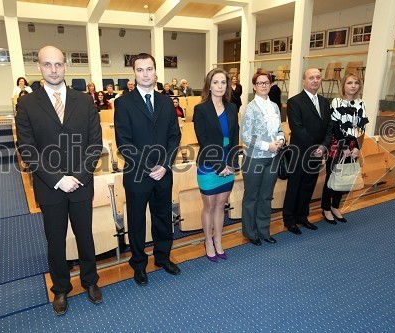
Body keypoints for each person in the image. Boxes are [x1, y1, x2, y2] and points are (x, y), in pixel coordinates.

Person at [15, 45, 103, 316]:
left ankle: (90, 281)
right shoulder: (28, 103)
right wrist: (57, 179)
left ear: (66, 66)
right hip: (50, 186)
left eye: (58, 64)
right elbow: (27, 149)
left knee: (85, 236)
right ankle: (61, 288)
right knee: (55, 240)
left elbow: (94, 143)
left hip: (81, 183)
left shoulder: (84, 100)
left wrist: (77, 176)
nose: (54, 69)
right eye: (47, 64)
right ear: (39, 67)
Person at [114, 53, 182, 286]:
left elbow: (175, 136)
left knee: (163, 217)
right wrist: (149, 166)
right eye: (140, 70)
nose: (145, 74)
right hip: (137, 173)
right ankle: (139, 265)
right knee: (136, 221)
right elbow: (124, 142)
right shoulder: (123, 103)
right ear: (134, 73)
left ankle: (162, 257)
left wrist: (164, 165)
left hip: (163, 173)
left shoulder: (165, 101)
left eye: (149, 69)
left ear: (155, 72)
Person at [193, 68, 239, 262]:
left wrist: (232, 163)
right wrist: (219, 165)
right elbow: (203, 140)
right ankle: (208, 241)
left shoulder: (232, 107)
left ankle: (218, 240)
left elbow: (235, 137)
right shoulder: (201, 109)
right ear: (209, 85)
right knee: (209, 206)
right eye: (216, 82)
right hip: (209, 163)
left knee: (221, 205)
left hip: (228, 160)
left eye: (223, 82)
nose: (220, 86)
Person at [282, 68, 333, 235]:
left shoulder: (325, 102)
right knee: (295, 186)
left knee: (308, 186)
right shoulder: (295, 101)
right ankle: (289, 220)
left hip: (317, 153)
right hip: (301, 152)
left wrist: (323, 146)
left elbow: (329, 128)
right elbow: (297, 129)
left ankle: (302, 216)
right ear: (304, 81)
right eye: (311, 77)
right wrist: (314, 147)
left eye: (318, 77)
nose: (315, 80)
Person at [240, 70, 284, 246]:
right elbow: (246, 136)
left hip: (273, 157)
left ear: (270, 84)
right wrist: (267, 146)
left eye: (266, 82)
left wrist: (281, 140)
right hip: (255, 158)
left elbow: (279, 128)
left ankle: (264, 230)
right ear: (254, 86)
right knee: (252, 196)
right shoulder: (250, 108)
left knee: (266, 196)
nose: (264, 85)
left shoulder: (274, 106)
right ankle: (251, 233)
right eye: (260, 83)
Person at [321, 73, 368, 224]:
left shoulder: (361, 103)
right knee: (332, 177)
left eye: (356, 83)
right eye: (349, 83)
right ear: (343, 85)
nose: (353, 85)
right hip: (337, 144)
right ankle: (326, 209)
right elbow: (333, 125)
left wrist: (358, 147)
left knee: (345, 177)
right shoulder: (336, 102)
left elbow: (362, 127)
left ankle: (336, 206)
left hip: (353, 145)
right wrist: (344, 146)